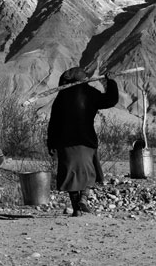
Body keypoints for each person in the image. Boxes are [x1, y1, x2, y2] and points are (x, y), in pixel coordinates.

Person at [47, 67, 119, 216]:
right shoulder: (90, 93)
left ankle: (76, 210)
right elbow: (111, 100)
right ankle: (84, 199)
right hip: (86, 141)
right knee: (90, 174)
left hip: (65, 143)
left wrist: (51, 143)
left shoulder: (61, 97)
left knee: (70, 175)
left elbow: (53, 123)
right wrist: (110, 82)